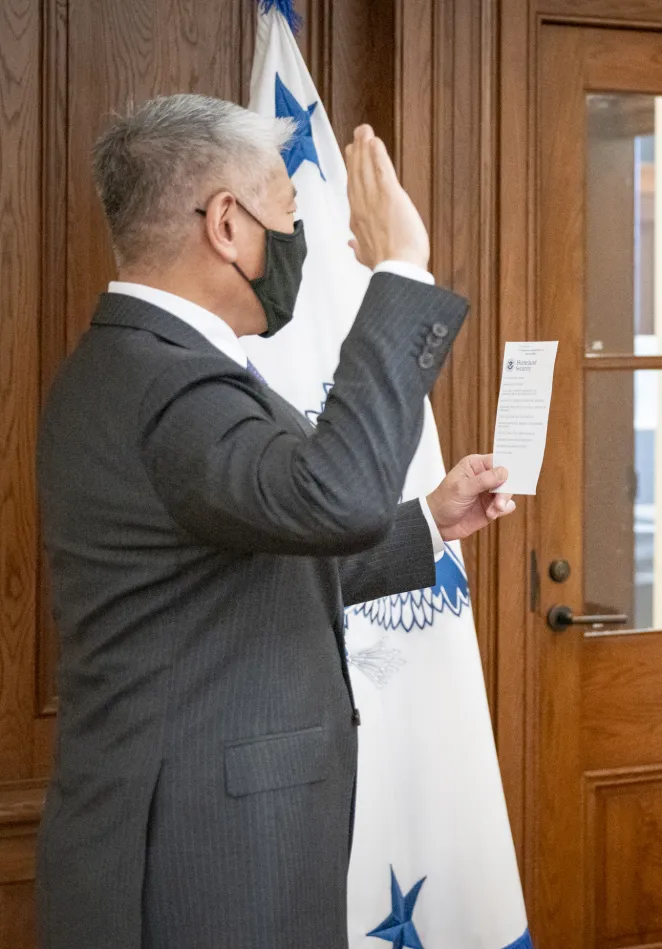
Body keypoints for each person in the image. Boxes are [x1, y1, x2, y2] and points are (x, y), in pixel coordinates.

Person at [35, 94, 512, 949]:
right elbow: (332, 499)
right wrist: (401, 266)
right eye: (291, 218)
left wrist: (428, 522)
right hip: (204, 860)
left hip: (191, 838)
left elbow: (240, 565)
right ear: (227, 221)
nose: (301, 246)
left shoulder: (134, 365)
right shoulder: (172, 386)